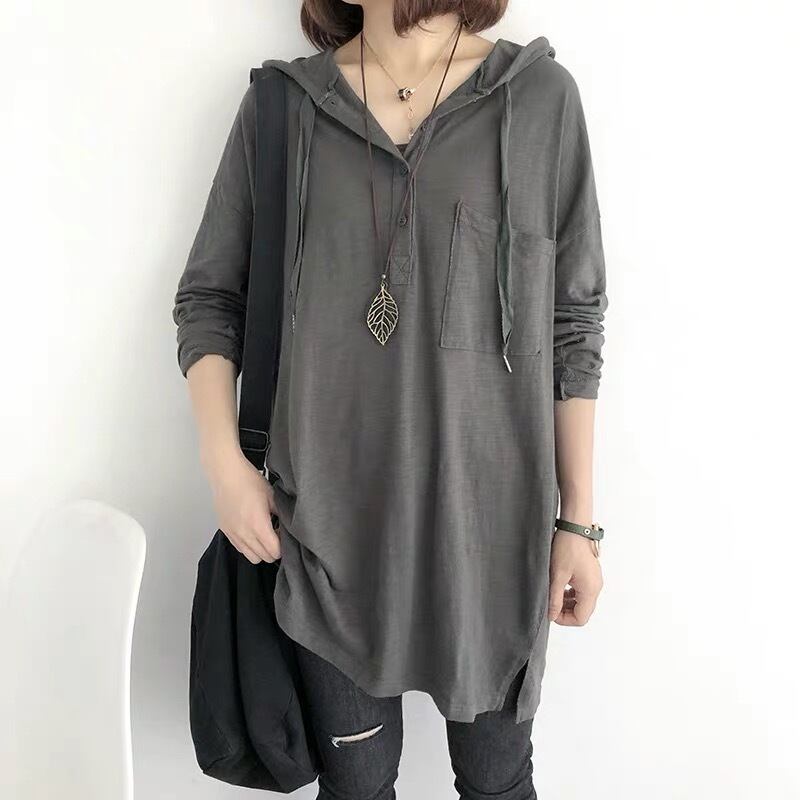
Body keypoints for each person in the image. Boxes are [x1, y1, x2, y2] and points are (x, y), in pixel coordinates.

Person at [172, 1, 608, 797]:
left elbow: (573, 325)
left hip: (490, 545)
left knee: (497, 782)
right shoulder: (283, 109)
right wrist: (224, 465)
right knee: (357, 786)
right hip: (325, 540)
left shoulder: (540, 98)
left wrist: (577, 521)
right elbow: (210, 299)